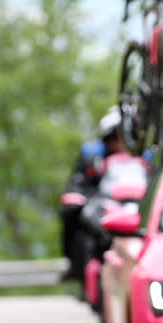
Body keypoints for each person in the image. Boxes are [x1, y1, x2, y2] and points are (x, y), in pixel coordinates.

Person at [60, 106, 127, 281]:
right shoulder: (90, 153)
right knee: (71, 212)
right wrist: (81, 198)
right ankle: (75, 265)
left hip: (131, 202)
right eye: (114, 137)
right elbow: (78, 183)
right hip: (98, 200)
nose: (119, 143)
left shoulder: (144, 155)